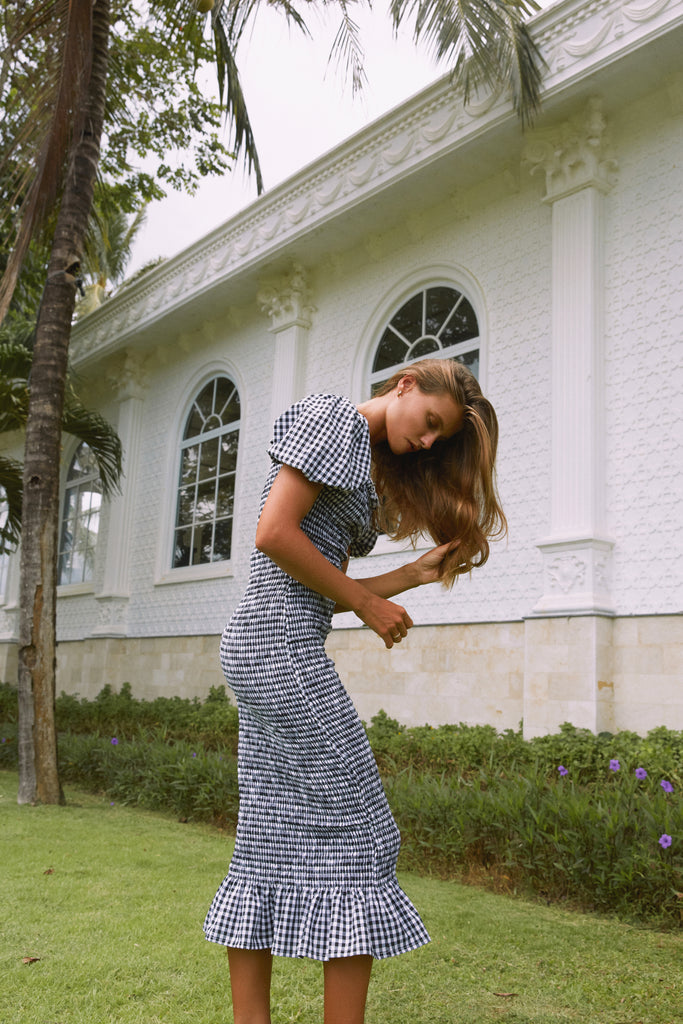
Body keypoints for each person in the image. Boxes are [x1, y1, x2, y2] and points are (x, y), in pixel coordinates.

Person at [204, 358, 507, 1024]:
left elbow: (314, 587)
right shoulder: (330, 418)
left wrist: (411, 574)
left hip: (272, 641)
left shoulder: (357, 461)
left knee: (266, 837)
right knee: (367, 835)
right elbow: (273, 535)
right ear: (403, 386)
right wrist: (370, 608)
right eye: (429, 423)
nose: (428, 443)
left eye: (439, 439)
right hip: (277, 647)